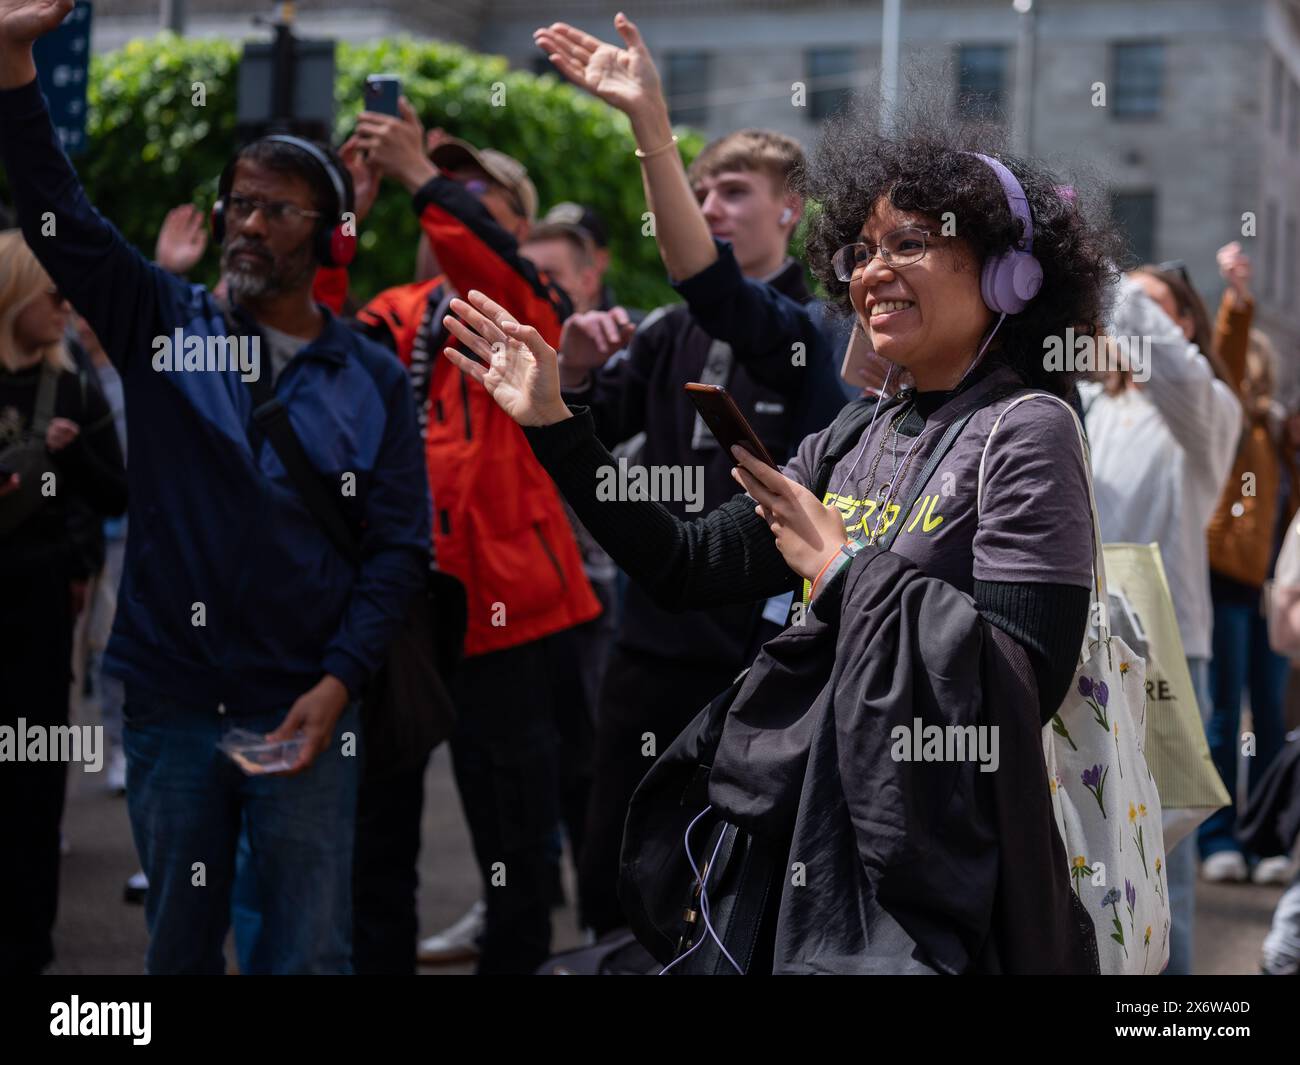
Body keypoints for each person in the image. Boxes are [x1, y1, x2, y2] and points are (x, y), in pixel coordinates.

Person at [441, 24, 1117, 971]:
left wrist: (844, 572)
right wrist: (557, 422)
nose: (871, 272)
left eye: (911, 244)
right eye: (864, 249)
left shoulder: (1029, 430)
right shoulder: (857, 431)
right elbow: (683, 563)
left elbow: (1017, 687)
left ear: (1009, 270)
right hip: (810, 836)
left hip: (930, 870)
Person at [0, 3, 432, 975]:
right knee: (179, 948)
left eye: (278, 209)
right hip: (170, 703)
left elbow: (402, 547)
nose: (247, 224)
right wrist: (13, 63)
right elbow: (58, 218)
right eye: (240, 202)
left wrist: (336, 685)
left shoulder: (367, 376)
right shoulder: (164, 319)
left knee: (308, 953)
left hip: (304, 710)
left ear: (328, 237)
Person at [534, 16, 850, 938]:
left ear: (791, 207)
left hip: (750, 660)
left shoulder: (810, 336)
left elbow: (708, 281)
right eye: (700, 188)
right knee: (610, 865)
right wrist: (576, 373)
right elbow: (588, 439)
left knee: (716, 887)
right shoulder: (669, 334)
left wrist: (650, 126)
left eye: (735, 190)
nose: (712, 204)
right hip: (646, 641)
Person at [348, 101, 601, 974]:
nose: (441, 202)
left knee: (515, 849)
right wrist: (350, 204)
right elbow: (302, 349)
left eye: (467, 192)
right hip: (396, 613)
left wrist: (422, 175)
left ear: (516, 227)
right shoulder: (389, 310)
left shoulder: (532, 309)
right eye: (435, 185)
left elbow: (510, 283)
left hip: (510, 618)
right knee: (374, 838)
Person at [1080, 265, 1242, 975]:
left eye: (1149, 306)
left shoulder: (1207, 409)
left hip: (1171, 652)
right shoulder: (1086, 401)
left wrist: (1095, 264)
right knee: (1088, 842)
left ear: (1183, 325)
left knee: (1160, 856)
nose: (1121, 321)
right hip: (1085, 645)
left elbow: (1159, 351)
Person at [0, 230, 126, 974]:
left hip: (42, 610)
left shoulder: (71, 380)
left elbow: (117, 491)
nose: (66, 308)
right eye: (53, 293)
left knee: (35, 780)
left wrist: (70, 455)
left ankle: (28, 947)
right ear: (14, 291)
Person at [1199, 242, 1298, 886]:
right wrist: (1236, 298)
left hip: (1272, 595)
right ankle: (1219, 836)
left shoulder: (1283, 436)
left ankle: (1268, 834)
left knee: (1270, 712)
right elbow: (1227, 359)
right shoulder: (1229, 420)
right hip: (1225, 583)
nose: (1258, 376)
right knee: (1224, 716)